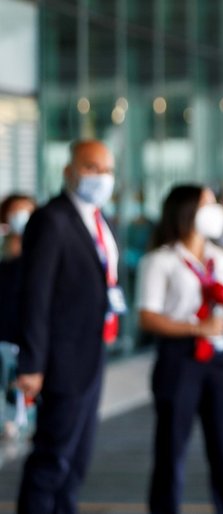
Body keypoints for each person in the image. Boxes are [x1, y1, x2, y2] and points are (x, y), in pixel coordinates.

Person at [16, 139, 121, 514]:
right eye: (92, 168)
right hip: (61, 359)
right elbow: (35, 296)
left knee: (76, 462)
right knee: (52, 459)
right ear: (69, 171)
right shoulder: (52, 219)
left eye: (107, 169)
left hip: (91, 352)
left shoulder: (97, 219)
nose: (101, 177)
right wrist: (32, 363)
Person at [136, 184, 223, 514]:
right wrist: (197, 328)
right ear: (186, 210)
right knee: (171, 449)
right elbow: (148, 317)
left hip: (222, 358)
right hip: (179, 358)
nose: (215, 210)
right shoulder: (159, 260)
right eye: (207, 203)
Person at [0, 193, 35, 344]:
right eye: (16, 211)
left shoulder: (41, 252)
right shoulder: (4, 251)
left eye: (27, 212)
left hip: (26, 330)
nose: (21, 217)